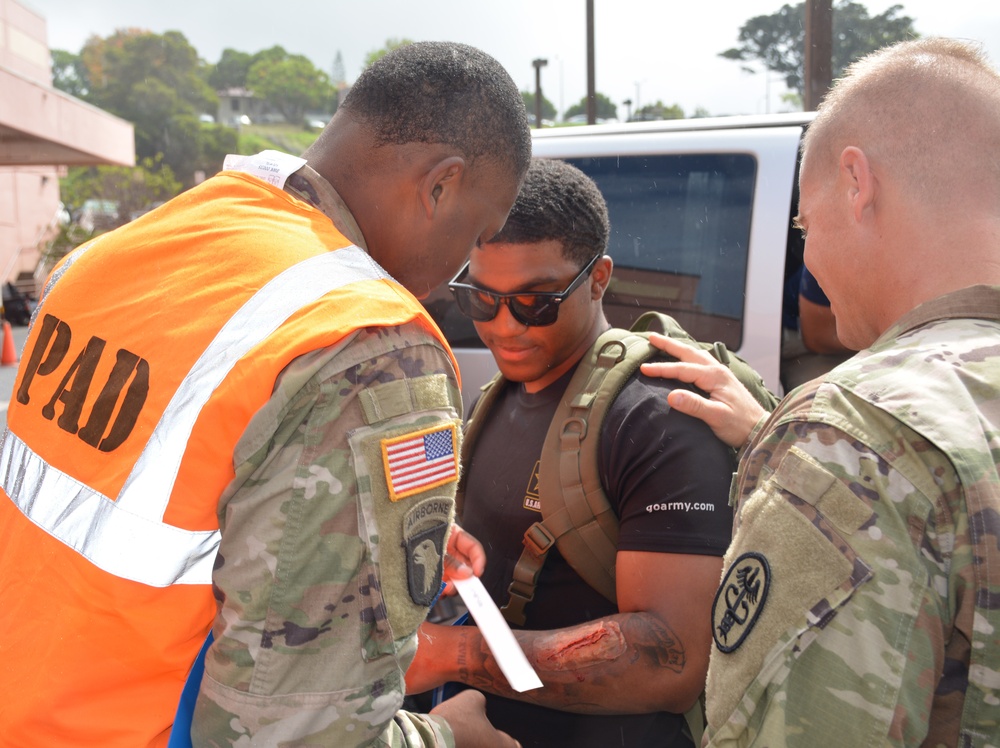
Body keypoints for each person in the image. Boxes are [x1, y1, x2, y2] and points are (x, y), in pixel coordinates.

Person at [0, 42, 531, 747]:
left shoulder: (117, 253)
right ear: (441, 186)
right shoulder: (365, 343)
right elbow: (301, 733)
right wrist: (450, 737)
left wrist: (357, 523)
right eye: (478, 234)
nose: (461, 269)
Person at [640, 37, 1000, 747]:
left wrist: (817, 448)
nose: (811, 256)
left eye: (805, 224)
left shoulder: (853, 439)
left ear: (857, 182)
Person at [405, 158, 736, 747]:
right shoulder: (489, 402)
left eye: (536, 301)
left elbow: (674, 662)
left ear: (598, 277)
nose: (505, 326)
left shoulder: (656, 419)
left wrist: (450, 654)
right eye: (481, 299)